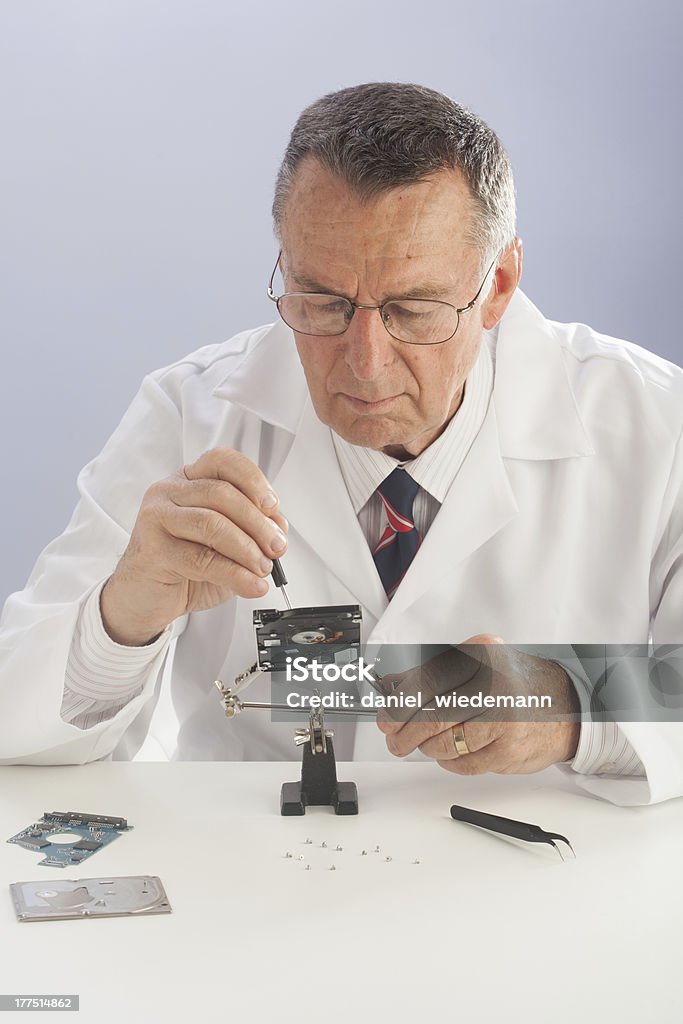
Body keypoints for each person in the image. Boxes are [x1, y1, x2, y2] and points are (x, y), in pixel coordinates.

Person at [0, 82, 681, 806]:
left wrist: (570, 704)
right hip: (257, 878)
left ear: (498, 285)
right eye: (321, 302)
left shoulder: (654, 423)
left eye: (411, 310)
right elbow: (17, 724)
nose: (363, 362)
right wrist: (120, 619)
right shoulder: (187, 414)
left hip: (550, 882)